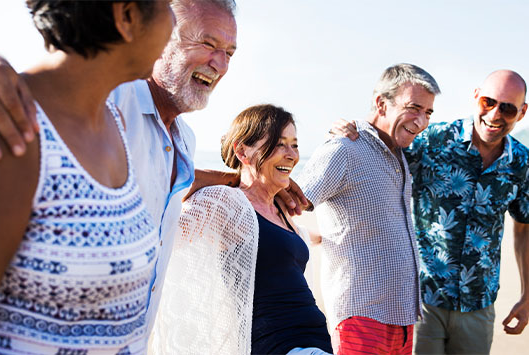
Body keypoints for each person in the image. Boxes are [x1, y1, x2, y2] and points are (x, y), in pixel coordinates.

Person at [0, 0, 174, 353]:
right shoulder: (18, 132)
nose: (174, 24)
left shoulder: (115, 122)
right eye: (169, 5)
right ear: (126, 16)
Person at [331, 70, 529, 354]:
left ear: (521, 113)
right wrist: (354, 132)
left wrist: (527, 296)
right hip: (421, 299)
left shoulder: (522, 163)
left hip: (479, 303)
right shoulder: (433, 140)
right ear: (476, 97)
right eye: (489, 102)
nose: (495, 114)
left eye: (508, 108)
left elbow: (524, 227)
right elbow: (380, 159)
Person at [157, 104, 333, 354]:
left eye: (294, 145)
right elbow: (165, 192)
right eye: (279, 143)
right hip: (278, 346)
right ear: (242, 151)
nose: (291, 154)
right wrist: (233, 178)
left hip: (316, 342)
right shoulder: (227, 202)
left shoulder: (281, 210)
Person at [297, 63, 441, 355]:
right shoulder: (344, 148)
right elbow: (288, 200)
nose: (422, 121)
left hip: (403, 318)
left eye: (428, 112)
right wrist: (308, 236)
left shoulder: (400, 155)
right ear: (381, 103)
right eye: (414, 107)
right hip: (360, 318)